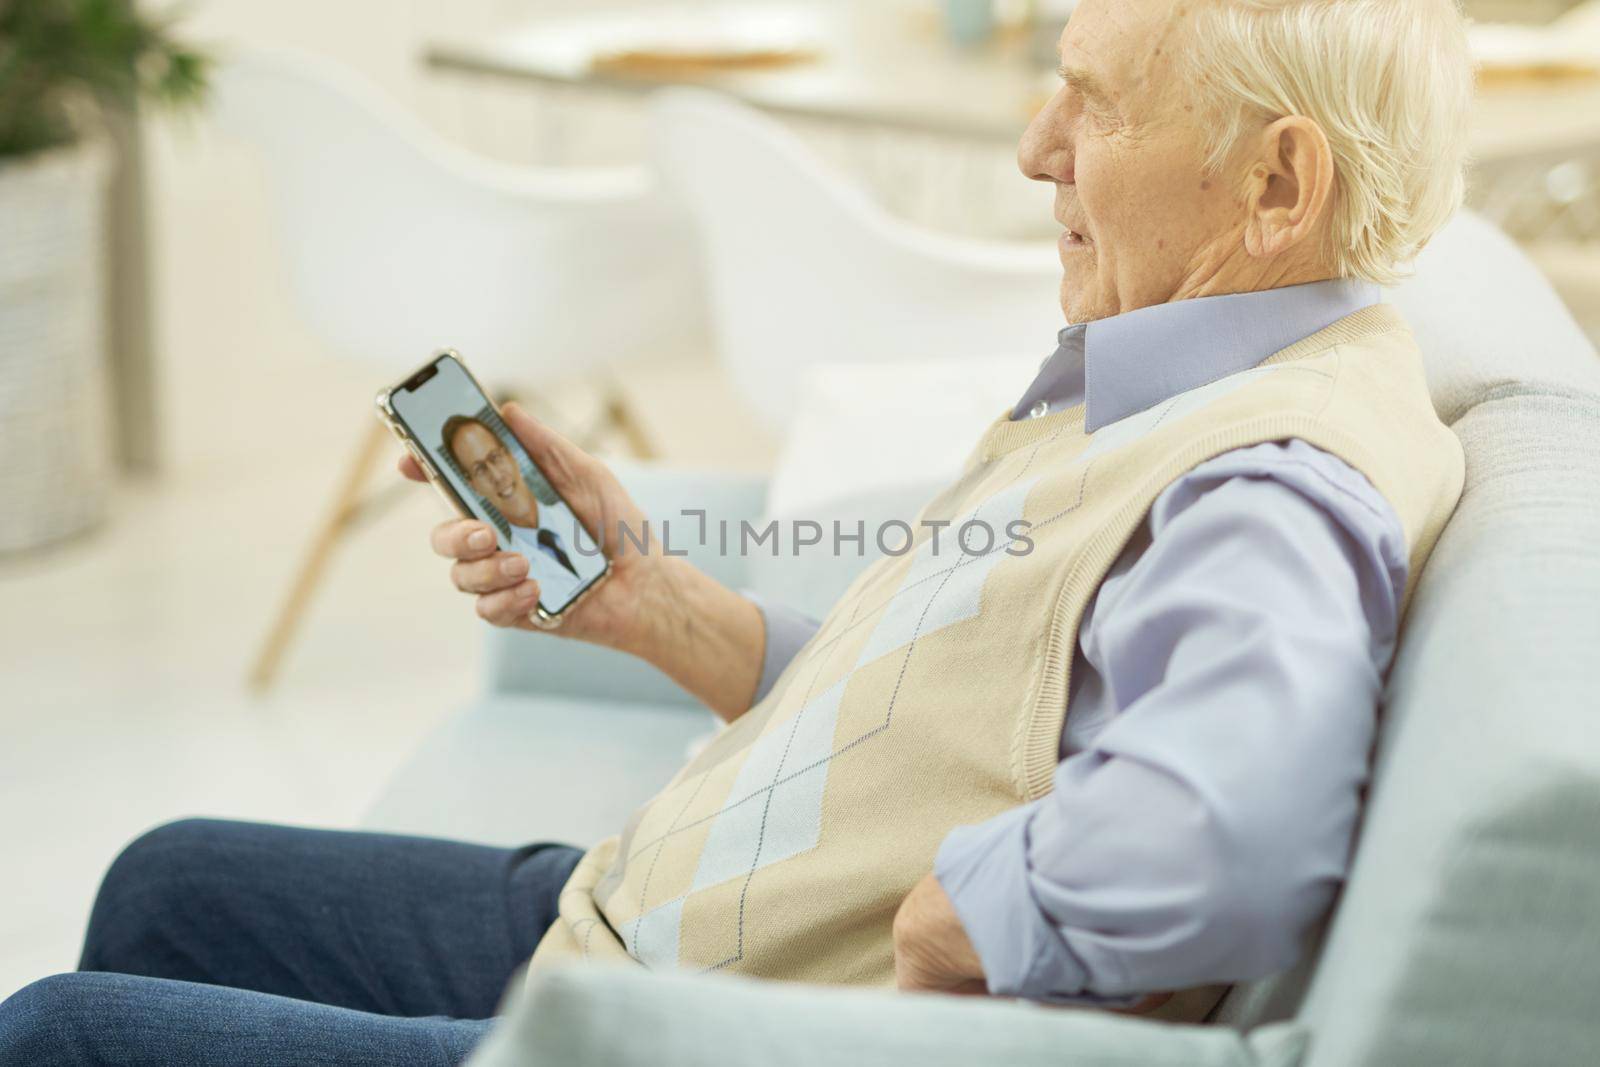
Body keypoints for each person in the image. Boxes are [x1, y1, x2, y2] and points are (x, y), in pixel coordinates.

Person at [0, 0, 1475, 1061]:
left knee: (55, 1034)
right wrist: (649, 601)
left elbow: (1227, 835)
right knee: (172, 876)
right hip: (646, 913)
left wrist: (955, 924)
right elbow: (967, 700)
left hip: (679, 1016)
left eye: (1096, 102)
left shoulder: (1263, 486)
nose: (1038, 148)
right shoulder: (1185, 367)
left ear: (1278, 185)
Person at [439, 415, 588, 611]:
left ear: (510, 455)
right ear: (473, 485)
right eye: (480, 469)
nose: (497, 476)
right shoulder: (515, 574)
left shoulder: (580, 513)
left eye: (495, 457)